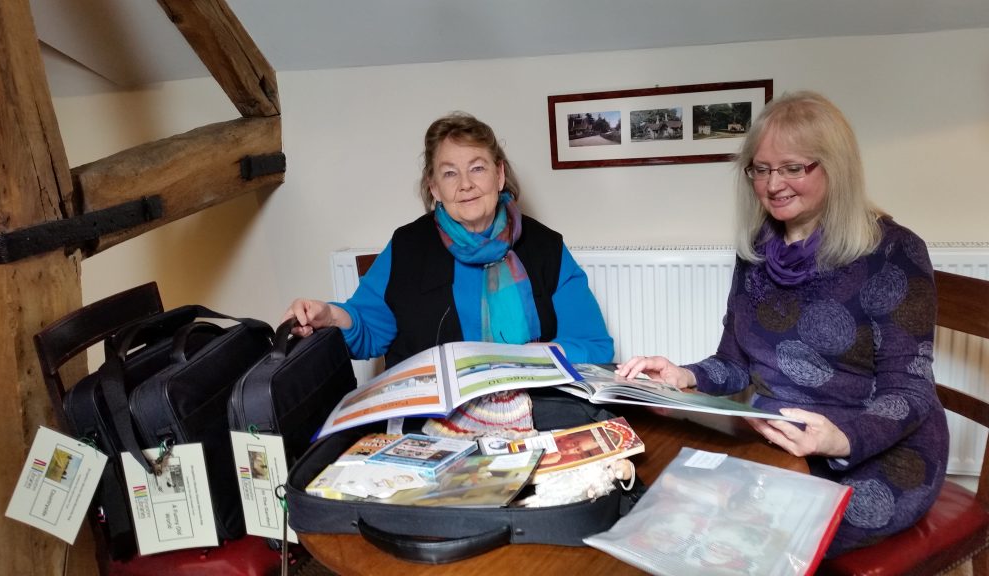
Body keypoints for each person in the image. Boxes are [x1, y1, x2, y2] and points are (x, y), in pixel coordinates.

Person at [616, 91, 947, 556]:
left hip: (878, 451)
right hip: (779, 438)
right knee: (670, 506)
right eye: (761, 168)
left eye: (793, 168)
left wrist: (842, 438)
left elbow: (909, 393)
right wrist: (684, 375)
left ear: (836, 167)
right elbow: (732, 363)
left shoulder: (894, 251)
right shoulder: (755, 250)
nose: (774, 184)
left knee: (757, 537)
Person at [283, 112, 613, 433]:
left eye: (477, 168)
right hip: (430, 425)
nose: (466, 185)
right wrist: (330, 314)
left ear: (499, 175)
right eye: (450, 173)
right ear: (435, 188)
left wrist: (526, 358)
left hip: (530, 416)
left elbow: (594, 345)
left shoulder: (546, 246)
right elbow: (368, 328)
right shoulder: (407, 246)